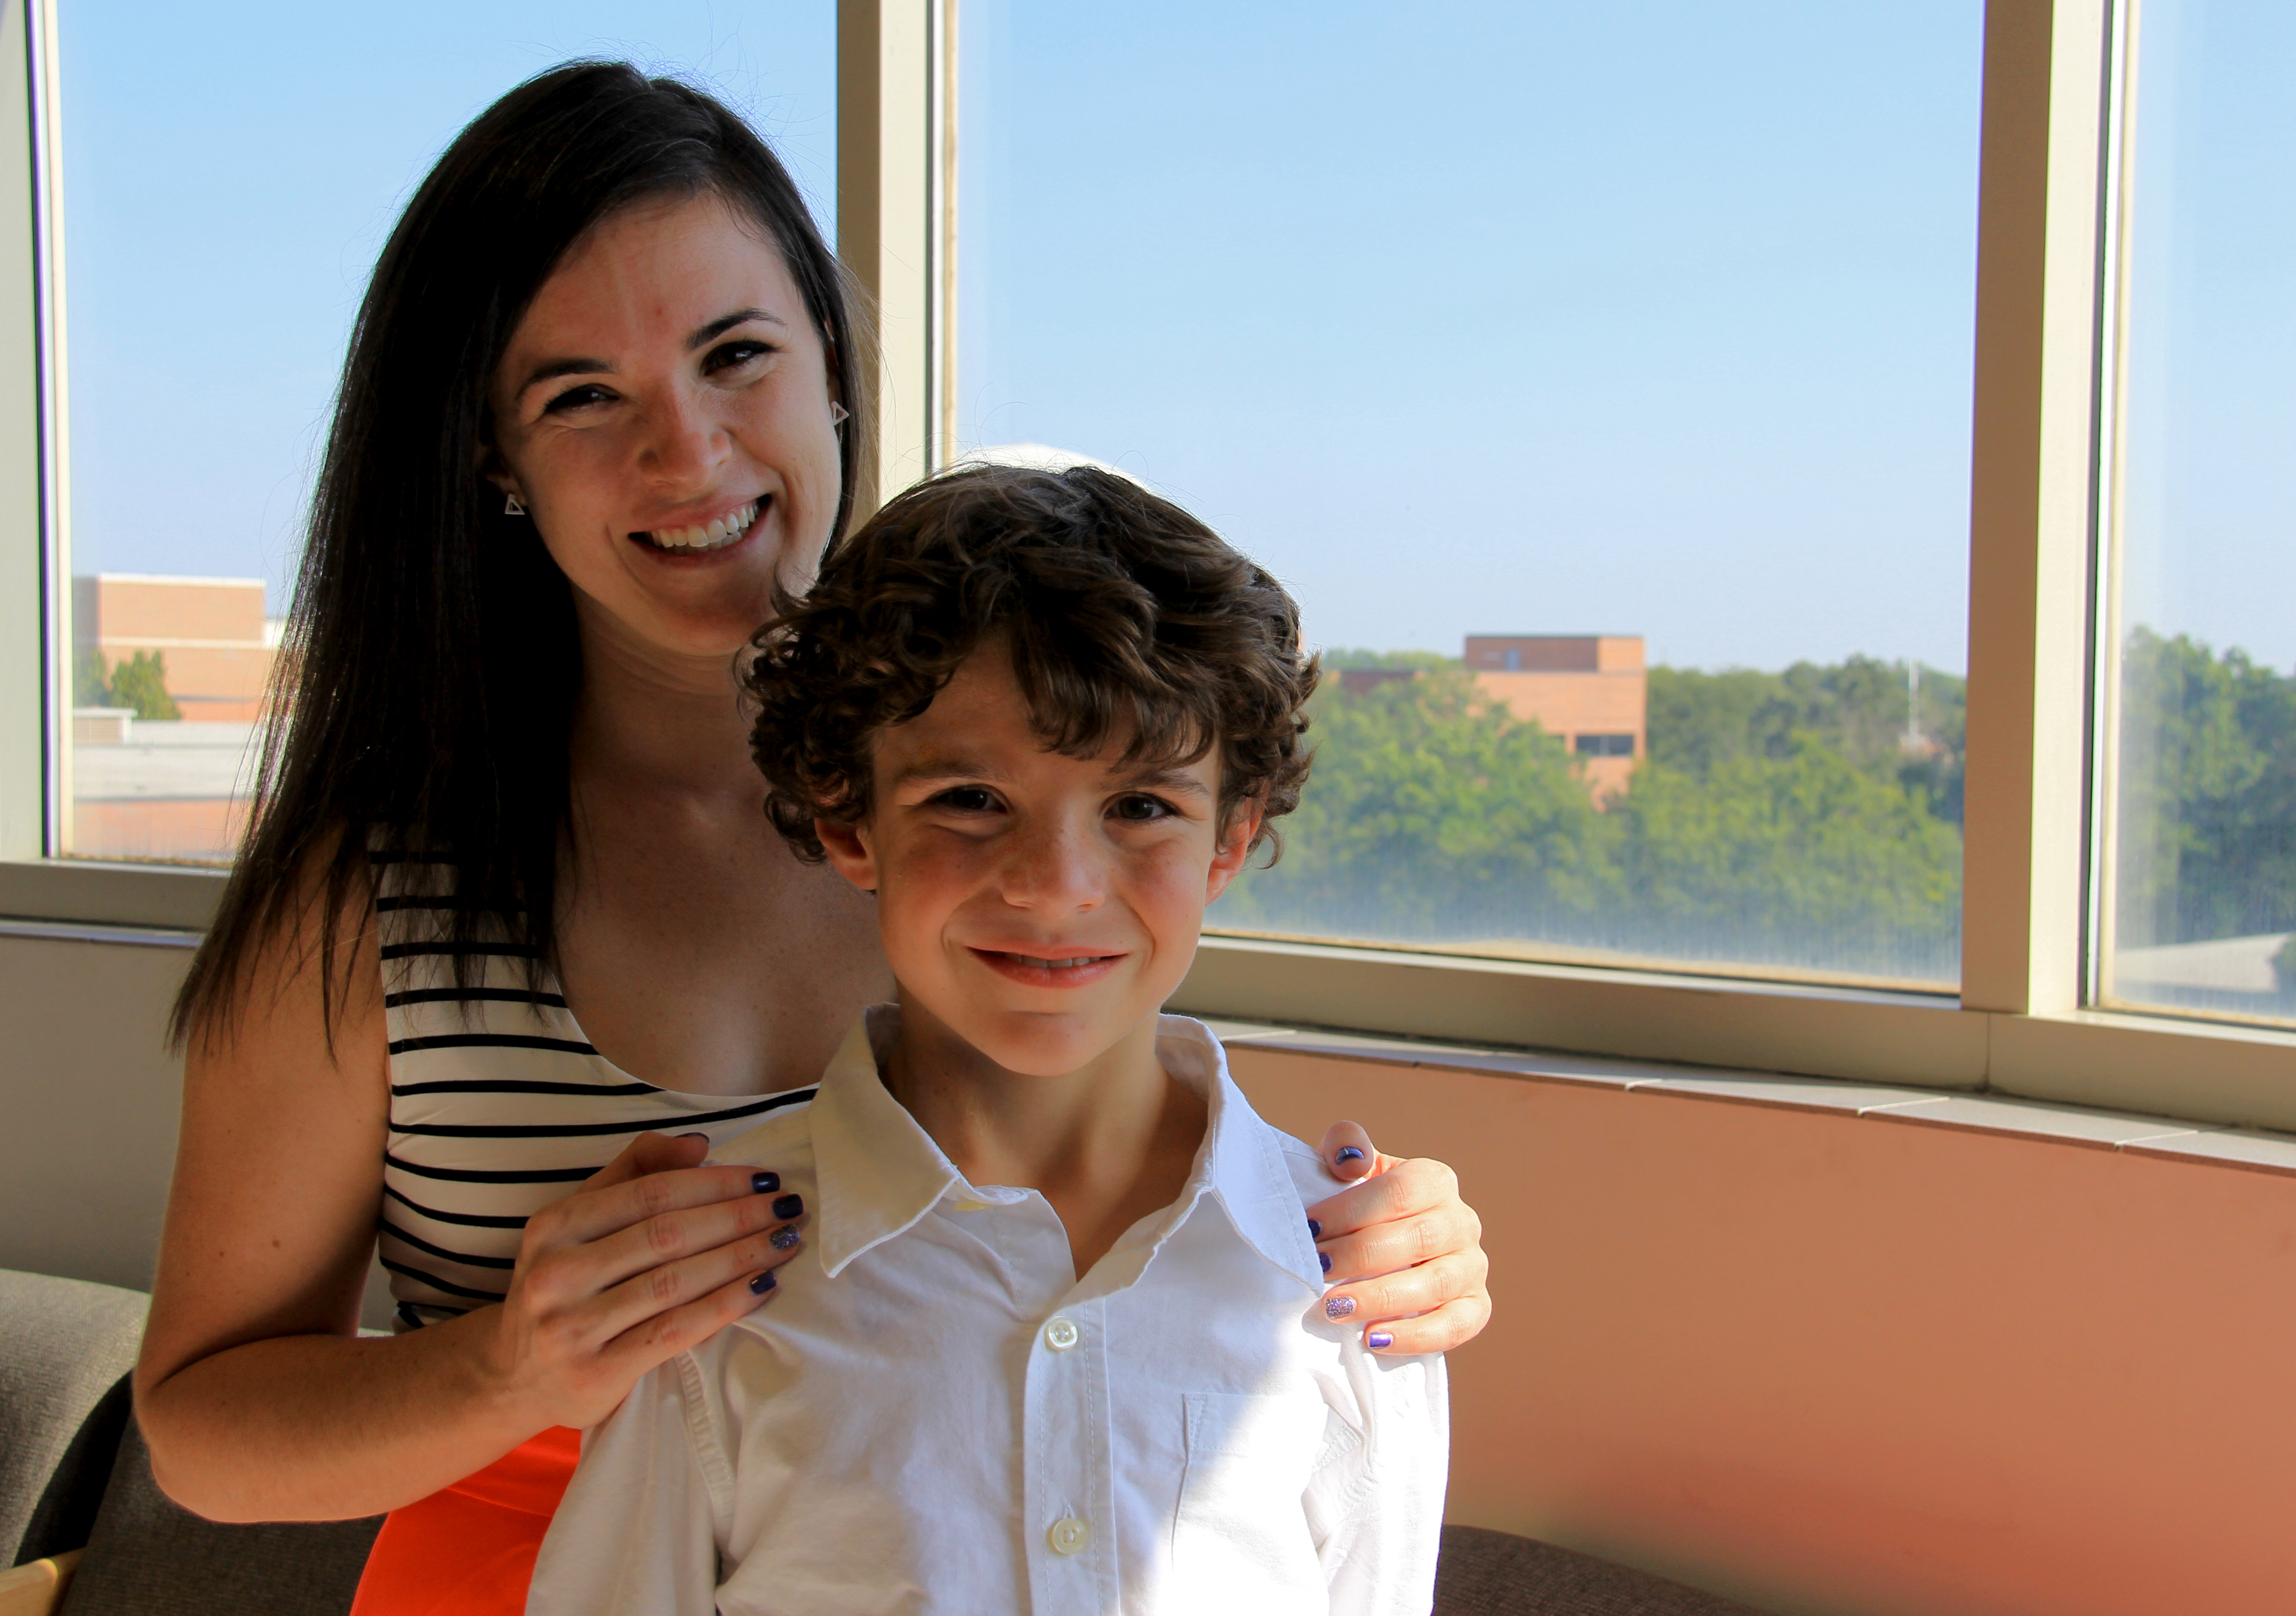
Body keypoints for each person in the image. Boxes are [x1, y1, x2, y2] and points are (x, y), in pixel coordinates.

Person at [133, 60, 1491, 1616]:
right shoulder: (371, 898)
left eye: (738, 356)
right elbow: (200, 1434)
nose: (692, 453)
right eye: (584, 395)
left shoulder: (997, 803)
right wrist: (510, 1367)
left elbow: (1129, 1215)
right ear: (488, 458)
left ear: (832, 370)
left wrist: (1378, 1238)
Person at [532, 462, 1448, 1615]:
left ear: (1230, 838)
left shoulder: (1355, 1287)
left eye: (1141, 805)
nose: (1056, 888)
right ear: (847, 819)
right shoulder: (712, 1284)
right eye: (969, 798)